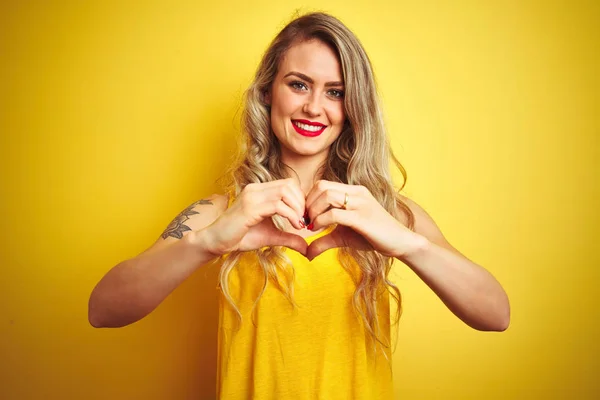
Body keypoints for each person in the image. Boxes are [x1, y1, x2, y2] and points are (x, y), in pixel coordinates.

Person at [88, 12, 510, 399]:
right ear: (269, 92)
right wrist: (209, 242)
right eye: (298, 84)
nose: (314, 107)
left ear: (352, 106)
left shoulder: (388, 214)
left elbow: (495, 313)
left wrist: (406, 244)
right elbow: (104, 309)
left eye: (336, 92)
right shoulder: (221, 211)